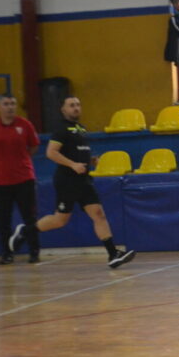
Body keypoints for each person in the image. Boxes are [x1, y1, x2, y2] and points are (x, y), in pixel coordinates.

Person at [9, 96, 135, 269]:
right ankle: (26, 231)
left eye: (77, 105)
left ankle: (113, 254)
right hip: (67, 181)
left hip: (83, 180)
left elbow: (75, 151)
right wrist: (73, 164)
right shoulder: (61, 130)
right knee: (60, 220)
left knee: (98, 214)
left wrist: (90, 160)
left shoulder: (81, 129)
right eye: (71, 105)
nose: (76, 108)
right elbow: (51, 153)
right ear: (63, 110)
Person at [0, 94, 40, 265]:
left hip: (24, 179)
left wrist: (23, 160)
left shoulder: (24, 124)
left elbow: (34, 145)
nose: (10, 107)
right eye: (6, 104)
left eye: (12, 104)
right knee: (3, 219)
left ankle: (34, 251)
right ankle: (7, 253)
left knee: (30, 217)